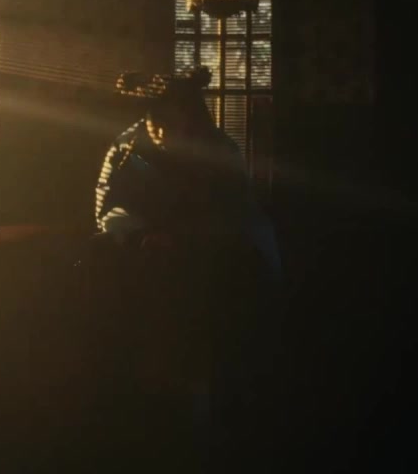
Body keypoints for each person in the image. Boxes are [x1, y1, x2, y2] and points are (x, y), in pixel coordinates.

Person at [81, 66, 281, 468]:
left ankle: (216, 407)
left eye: (178, 116)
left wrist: (194, 238)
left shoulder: (220, 149)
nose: (169, 126)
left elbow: (237, 210)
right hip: (146, 257)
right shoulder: (127, 149)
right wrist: (139, 235)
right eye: (161, 117)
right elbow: (108, 206)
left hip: (213, 258)